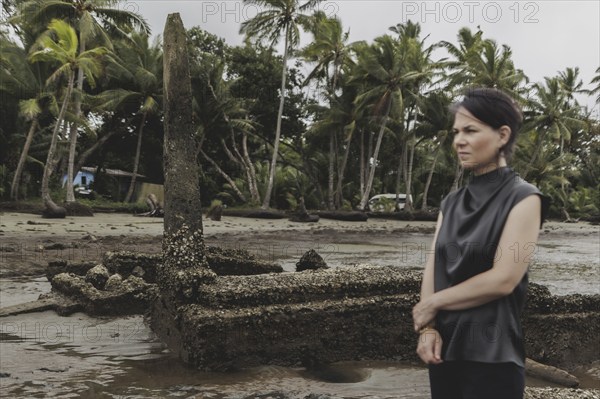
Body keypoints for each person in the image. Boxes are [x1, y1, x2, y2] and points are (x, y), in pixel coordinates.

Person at [412, 88, 550, 399]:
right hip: (443, 351)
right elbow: (433, 267)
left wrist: (432, 304)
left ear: (503, 135)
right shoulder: (451, 202)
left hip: (493, 354)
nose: (459, 140)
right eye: (456, 132)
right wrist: (428, 329)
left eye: (470, 131)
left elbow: (503, 279)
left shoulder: (525, 198)